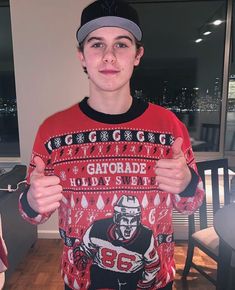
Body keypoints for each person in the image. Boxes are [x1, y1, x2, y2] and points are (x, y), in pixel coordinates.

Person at [19, 1, 205, 289]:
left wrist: (187, 183)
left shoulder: (169, 127)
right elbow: (32, 213)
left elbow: (192, 203)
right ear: (81, 56)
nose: (108, 56)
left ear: (137, 55)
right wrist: (32, 201)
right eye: (96, 45)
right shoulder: (52, 130)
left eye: (121, 44)